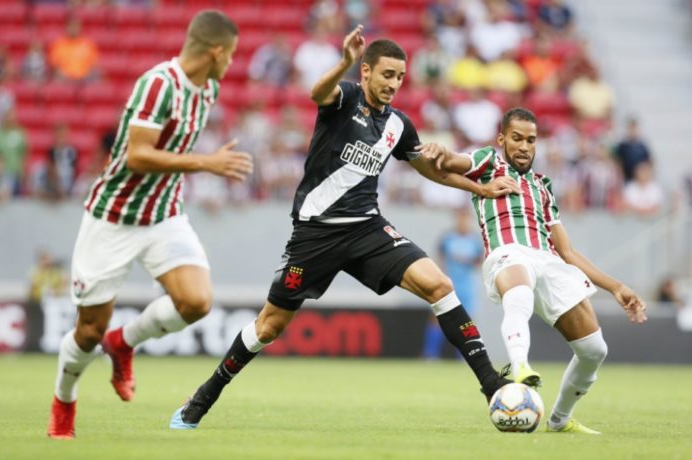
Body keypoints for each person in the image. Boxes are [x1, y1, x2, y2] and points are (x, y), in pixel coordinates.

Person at [169, 25, 521, 430]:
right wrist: (343, 63)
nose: (393, 84)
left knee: (439, 286)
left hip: (367, 229)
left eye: (400, 78)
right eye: (386, 75)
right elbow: (317, 93)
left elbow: (431, 169)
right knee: (269, 326)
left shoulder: (399, 125)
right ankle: (205, 395)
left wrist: (481, 187)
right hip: (315, 234)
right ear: (366, 72)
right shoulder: (345, 97)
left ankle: (492, 386)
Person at [47, 10, 253, 440]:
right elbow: (137, 155)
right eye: (230, 55)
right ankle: (64, 401)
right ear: (216, 51)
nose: (231, 64)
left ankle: (124, 342)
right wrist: (206, 163)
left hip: (163, 214)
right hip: (114, 216)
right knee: (88, 332)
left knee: (196, 302)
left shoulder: (207, 89)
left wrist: (199, 167)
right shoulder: (158, 84)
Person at [416, 107, 648, 434]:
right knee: (520, 289)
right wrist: (442, 151)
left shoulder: (543, 187)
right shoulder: (488, 162)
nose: (524, 146)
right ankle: (520, 366)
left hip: (548, 261)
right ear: (502, 139)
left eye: (531, 140)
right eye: (516, 138)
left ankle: (560, 420)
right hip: (507, 252)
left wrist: (616, 287)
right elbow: (447, 163)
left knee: (594, 350)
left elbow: (566, 251)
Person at [423, 207, 484, 359]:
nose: (463, 222)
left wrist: (469, 261)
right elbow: (440, 258)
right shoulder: (448, 238)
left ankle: (465, 356)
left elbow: (480, 261)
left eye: (465, 219)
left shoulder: (474, 240)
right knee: (437, 318)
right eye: (460, 218)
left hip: (467, 287)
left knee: (467, 322)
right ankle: (430, 354)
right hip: (449, 285)